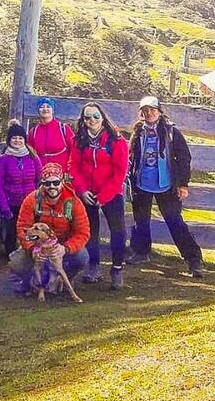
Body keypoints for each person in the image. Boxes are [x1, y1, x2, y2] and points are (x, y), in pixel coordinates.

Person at [126, 96, 204, 278]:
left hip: (166, 185)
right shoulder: (138, 132)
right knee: (141, 221)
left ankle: (193, 259)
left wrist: (183, 184)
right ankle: (141, 252)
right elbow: (131, 156)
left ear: (160, 112)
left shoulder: (171, 132)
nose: (149, 113)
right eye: (145, 110)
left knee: (175, 222)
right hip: (142, 184)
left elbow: (184, 158)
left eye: (152, 110)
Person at [69, 102, 129, 290]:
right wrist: (82, 190)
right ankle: (93, 266)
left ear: (102, 117)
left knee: (117, 231)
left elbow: (120, 172)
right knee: (90, 232)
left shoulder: (116, 140)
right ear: (83, 120)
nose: (92, 120)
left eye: (95, 116)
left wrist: (104, 195)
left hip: (111, 191)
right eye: (87, 117)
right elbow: (73, 166)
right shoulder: (79, 140)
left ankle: (117, 268)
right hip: (87, 192)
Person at [13, 162, 90, 296]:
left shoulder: (73, 202)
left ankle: (65, 278)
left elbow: (83, 233)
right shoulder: (32, 200)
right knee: (17, 262)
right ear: (42, 183)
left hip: (63, 244)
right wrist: (32, 248)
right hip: (38, 244)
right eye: (47, 183)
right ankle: (28, 282)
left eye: (55, 182)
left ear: (62, 181)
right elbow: (22, 228)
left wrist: (65, 248)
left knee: (81, 257)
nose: (52, 186)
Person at [0, 120, 42, 257]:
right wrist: (4, 207)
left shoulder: (33, 157)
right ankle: (11, 261)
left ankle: (31, 258)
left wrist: (38, 201)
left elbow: (40, 179)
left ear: (24, 140)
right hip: (11, 203)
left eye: (20, 138)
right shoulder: (3, 159)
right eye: (14, 138)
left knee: (31, 233)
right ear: (9, 140)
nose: (17, 141)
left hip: (30, 203)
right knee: (11, 234)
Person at [27, 96, 74, 171]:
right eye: (42, 107)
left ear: (52, 110)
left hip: (61, 172)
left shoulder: (64, 128)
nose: (45, 109)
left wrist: (70, 170)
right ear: (38, 110)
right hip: (40, 172)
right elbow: (30, 154)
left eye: (48, 107)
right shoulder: (33, 132)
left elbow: (74, 150)